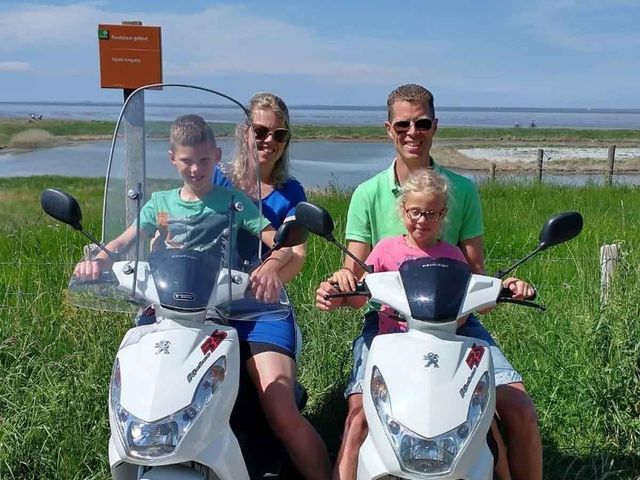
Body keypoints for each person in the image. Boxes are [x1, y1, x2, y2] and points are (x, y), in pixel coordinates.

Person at [315, 84, 542, 480]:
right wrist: (336, 287)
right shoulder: (367, 194)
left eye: (421, 124)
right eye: (403, 124)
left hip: (457, 324)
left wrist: (505, 286)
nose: (412, 133)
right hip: (388, 325)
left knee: (519, 410)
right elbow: (354, 276)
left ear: (435, 126)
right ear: (389, 128)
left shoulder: (461, 191)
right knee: (358, 415)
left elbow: (475, 274)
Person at [214, 93, 332, 480]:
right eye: (260, 131)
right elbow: (177, 218)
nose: (269, 141)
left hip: (263, 308)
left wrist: (271, 270)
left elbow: (296, 253)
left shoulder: (291, 192)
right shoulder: (216, 177)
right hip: (207, 304)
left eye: (279, 134)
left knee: (282, 413)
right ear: (244, 132)